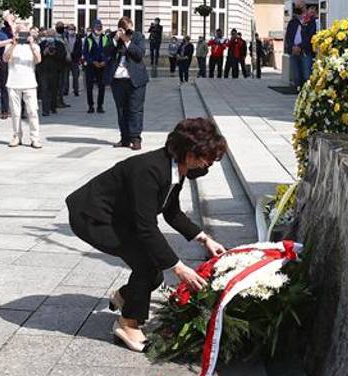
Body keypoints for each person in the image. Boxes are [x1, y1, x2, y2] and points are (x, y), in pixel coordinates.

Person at [65, 117, 229, 351]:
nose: (207, 167)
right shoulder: (150, 169)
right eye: (207, 160)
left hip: (120, 216)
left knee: (154, 275)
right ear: (190, 154)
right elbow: (146, 227)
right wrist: (179, 267)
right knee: (148, 265)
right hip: (92, 217)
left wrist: (205, 239)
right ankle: (127, 324)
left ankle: (123, 296)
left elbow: (172, 212)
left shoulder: (175, 168)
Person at [109, 17, 148, 151]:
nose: (127, 31)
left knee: (135, 110)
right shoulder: (113, 37)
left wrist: (127, 40)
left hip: (135, 80)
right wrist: (115, 39)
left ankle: (135, 138)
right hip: (118, 80)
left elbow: (139, 54)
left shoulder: (138, 37)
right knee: (121, 110)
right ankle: (125, 138)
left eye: (128, 29)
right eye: (124, 29)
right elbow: (106, 52)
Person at [4, 20, 42, 148]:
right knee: (15, 112)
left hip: (30, 83)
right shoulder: (10, 45)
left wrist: (31, 45)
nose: (22, 36)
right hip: (13, 82)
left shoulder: (35, 46)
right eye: (20, 33)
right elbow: (5, 58)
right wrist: (14, 44)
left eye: (24, 33)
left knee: (32, 111)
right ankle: (16, 135)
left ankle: (35, 138)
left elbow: (38, 60)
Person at [83, 20, 111, 114]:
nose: (98, 29)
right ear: (92, 28)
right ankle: (90, 106)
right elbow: (85, 54)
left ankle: (100, 106)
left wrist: (105, 61)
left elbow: (109, 52)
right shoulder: (88, 39)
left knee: (101, 87)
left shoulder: (105, 38)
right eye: (96, 27)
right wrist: (93, 62)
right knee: (89, 87)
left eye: (100, 27)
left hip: (102, 66)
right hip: (91, 66)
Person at [37, 27, 66, 116]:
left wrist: (55, 53)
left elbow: (63, 56)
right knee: (44, 89)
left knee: (54, 89)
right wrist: (44, 53)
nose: (50, 36)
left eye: (51, 35)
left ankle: (53, 107)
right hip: (44, 70)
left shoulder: (59, 44)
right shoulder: (42, 44)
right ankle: (45, 110)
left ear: (55, 35)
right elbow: (37, 57)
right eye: (48, 35)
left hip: (55, 70)